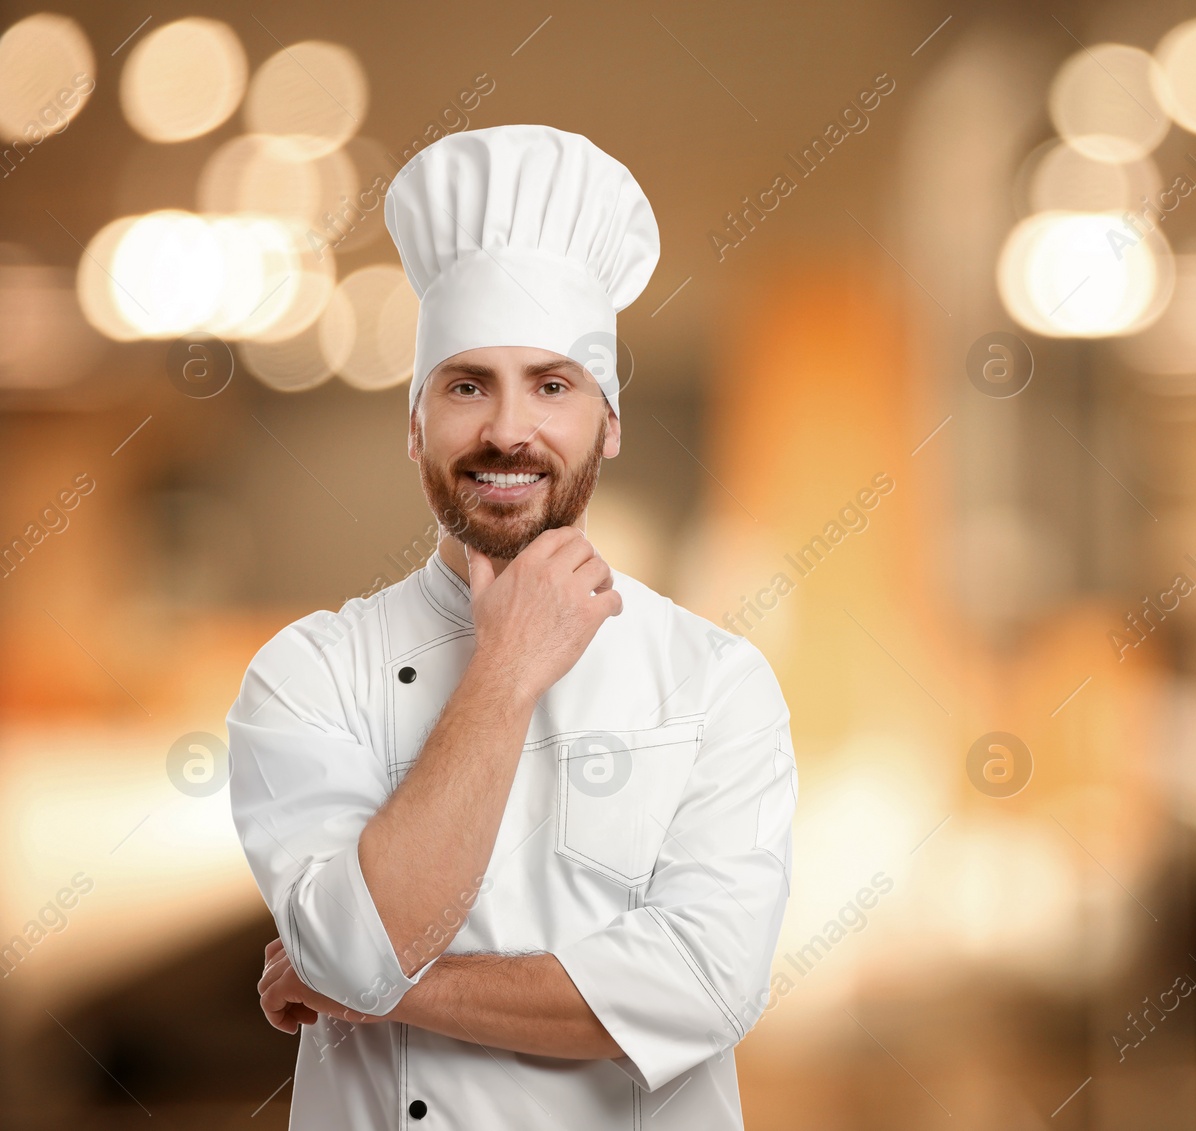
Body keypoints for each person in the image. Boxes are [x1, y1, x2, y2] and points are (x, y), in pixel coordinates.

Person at [226, 124, 798, 1130]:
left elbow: (704, 988)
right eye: (465, 385)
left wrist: (379, 986)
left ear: (607, 422)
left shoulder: (716, 682)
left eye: (551, 384)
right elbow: (351, 951)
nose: (506, 429)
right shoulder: (307, 674)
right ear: (414, 425)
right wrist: (508, 666)